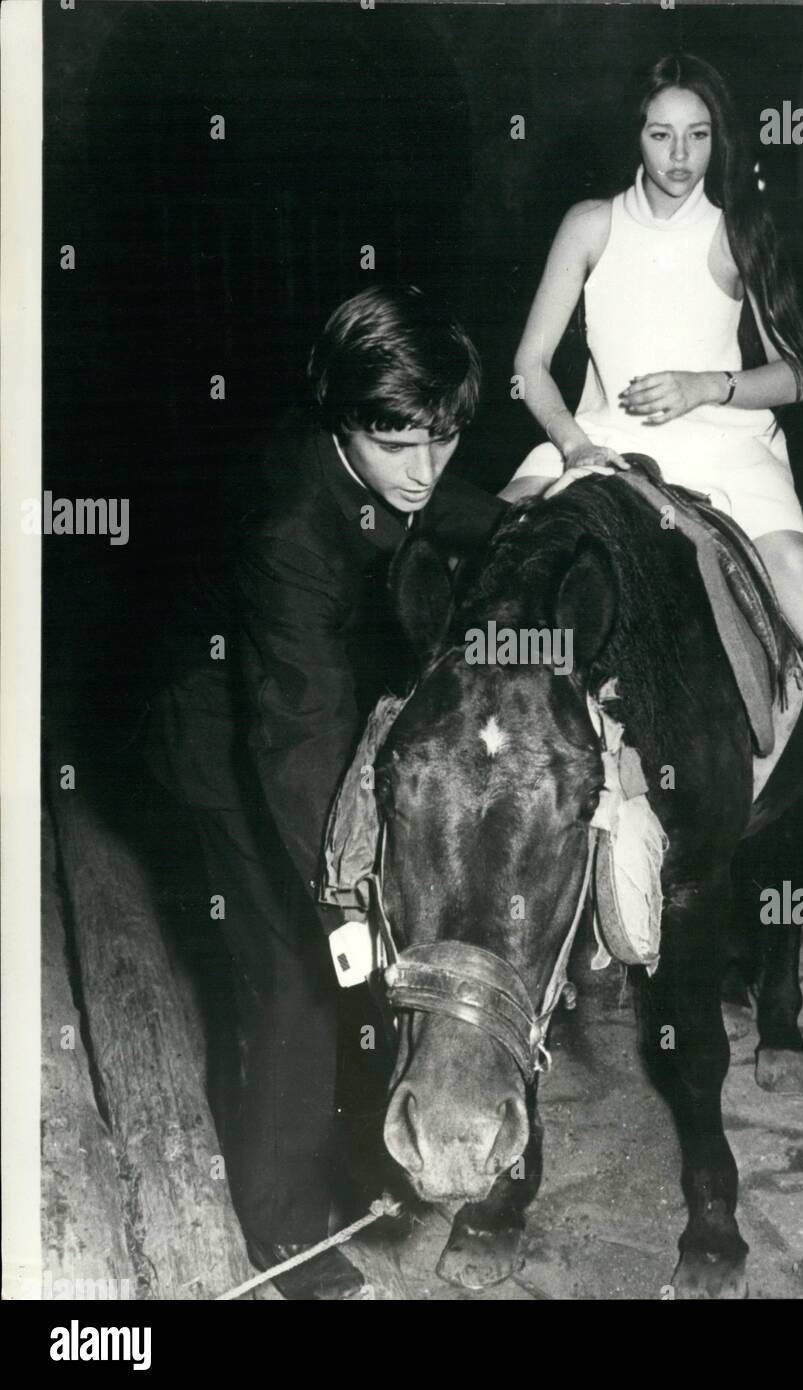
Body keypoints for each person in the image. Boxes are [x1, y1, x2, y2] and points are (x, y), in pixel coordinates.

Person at [142, 285, 505, 1298]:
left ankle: (354, 1162)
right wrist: (346, 901)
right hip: (225, 737)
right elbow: (292, 738)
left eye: (445, 437)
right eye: (402, 445)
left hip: (319, 708)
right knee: (297, 982)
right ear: (342, 420)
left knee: (347, 979)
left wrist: (526, 512)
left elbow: (440, 499)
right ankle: (285, 1239)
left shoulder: (392, 456)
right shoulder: (287, 527)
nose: (427, 469)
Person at [502, 52, 803, 832]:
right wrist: (574, 446)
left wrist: (708, 384)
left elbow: (799, 373)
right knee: (491, 533)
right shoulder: (590, 224)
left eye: (698, 136)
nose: (679, 157)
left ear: (718, 141)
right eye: (661, 135)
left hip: (722, 439)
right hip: (600, 435)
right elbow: (530, 365)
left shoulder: (735, 231)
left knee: (795, 561)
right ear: (635, 137)